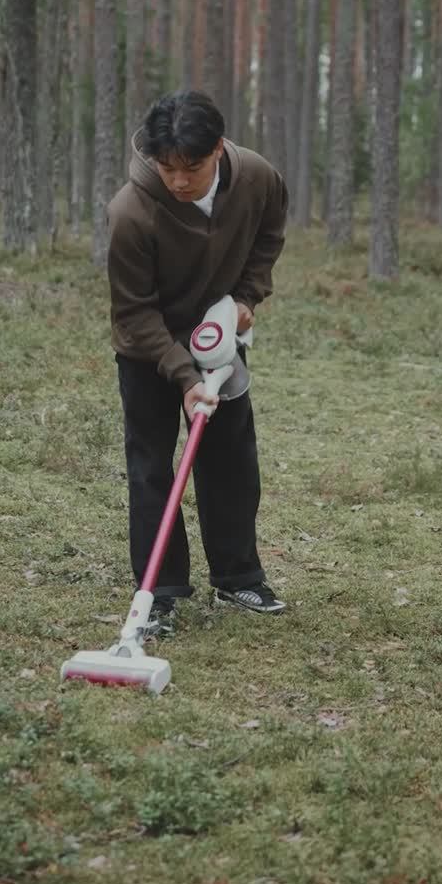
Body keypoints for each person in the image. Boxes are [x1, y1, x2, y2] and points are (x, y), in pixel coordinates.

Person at [107, 90, 288, 639]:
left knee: (231, 459)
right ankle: (159, 592)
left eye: (192, 167)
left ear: (218, 149)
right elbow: (134, 313)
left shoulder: (257, 178)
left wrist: (246, 300)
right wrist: (183, 378)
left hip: (218, 338)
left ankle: (238, 576)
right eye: (167, 168)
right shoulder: (131, 213)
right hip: (148, 347)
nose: (179, 181)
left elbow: (269, 236)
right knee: (150, 466)